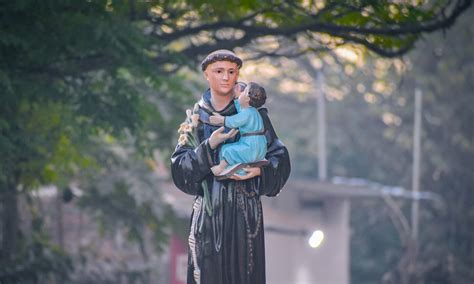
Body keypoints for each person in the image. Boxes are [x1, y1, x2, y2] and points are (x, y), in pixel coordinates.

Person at [170, 49, 291, 284]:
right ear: (207, 75)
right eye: (219, 71)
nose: (226, 77)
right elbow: (180, 169)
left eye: (231, 72)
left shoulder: (254, 114)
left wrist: (260, 170)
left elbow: (280, 158)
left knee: (244, 274)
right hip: (210, 211)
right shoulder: (196, 119)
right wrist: (208, 146)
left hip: (245, 211)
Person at [209, 82, 269, 179]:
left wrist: (221, 119)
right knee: (231, 149)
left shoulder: (248, 113)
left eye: (243, 92)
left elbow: (234, 121)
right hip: (259, 147)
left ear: (247, 99)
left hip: (251, 147)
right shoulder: (253, 111)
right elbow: (241, 109)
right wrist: (237, 98)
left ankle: (222, 168)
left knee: (228, 150)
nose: (240, 93)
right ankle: (239, 166)